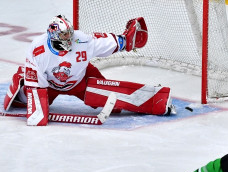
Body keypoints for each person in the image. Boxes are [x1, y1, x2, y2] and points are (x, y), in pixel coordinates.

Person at [4, 15, 175, 126]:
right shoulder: (38, 49)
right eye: (64, 35)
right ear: (54, 36)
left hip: (82, 79)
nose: (69, 38)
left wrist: (127, 41)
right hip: (49, 86)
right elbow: (37, 89)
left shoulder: (82, 40)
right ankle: (21, 77)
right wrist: (37, 114)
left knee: (114, 105)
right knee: (23, 100)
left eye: (70, 33)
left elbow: (106, 41)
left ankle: (156, 100)